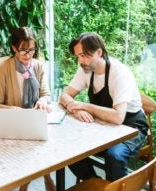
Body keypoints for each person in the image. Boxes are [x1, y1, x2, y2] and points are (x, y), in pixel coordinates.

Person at [59, 32, 149, 182]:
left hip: (132, 126)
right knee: (68, 146)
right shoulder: (86, 69)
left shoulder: (119, 73)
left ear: (99, 52)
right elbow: (64, 96)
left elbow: (118, 117)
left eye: (84, 55)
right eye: (78, 56)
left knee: (114, 156)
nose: (80, 61)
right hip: (103, 124)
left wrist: (84, 105)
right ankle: (95, 185)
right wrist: (74, 107)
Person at [0, 27, 56, 191]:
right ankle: (45, 185)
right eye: (23, 50)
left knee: (40, 150)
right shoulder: (3, 69)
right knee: (36, 154)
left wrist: (42, 101)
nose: (28, 55)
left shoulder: (38, 66)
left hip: (36, 121)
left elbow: (46, 94)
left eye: (32, 50)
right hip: (15, 125)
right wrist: (19, 112)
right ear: (13, 48)